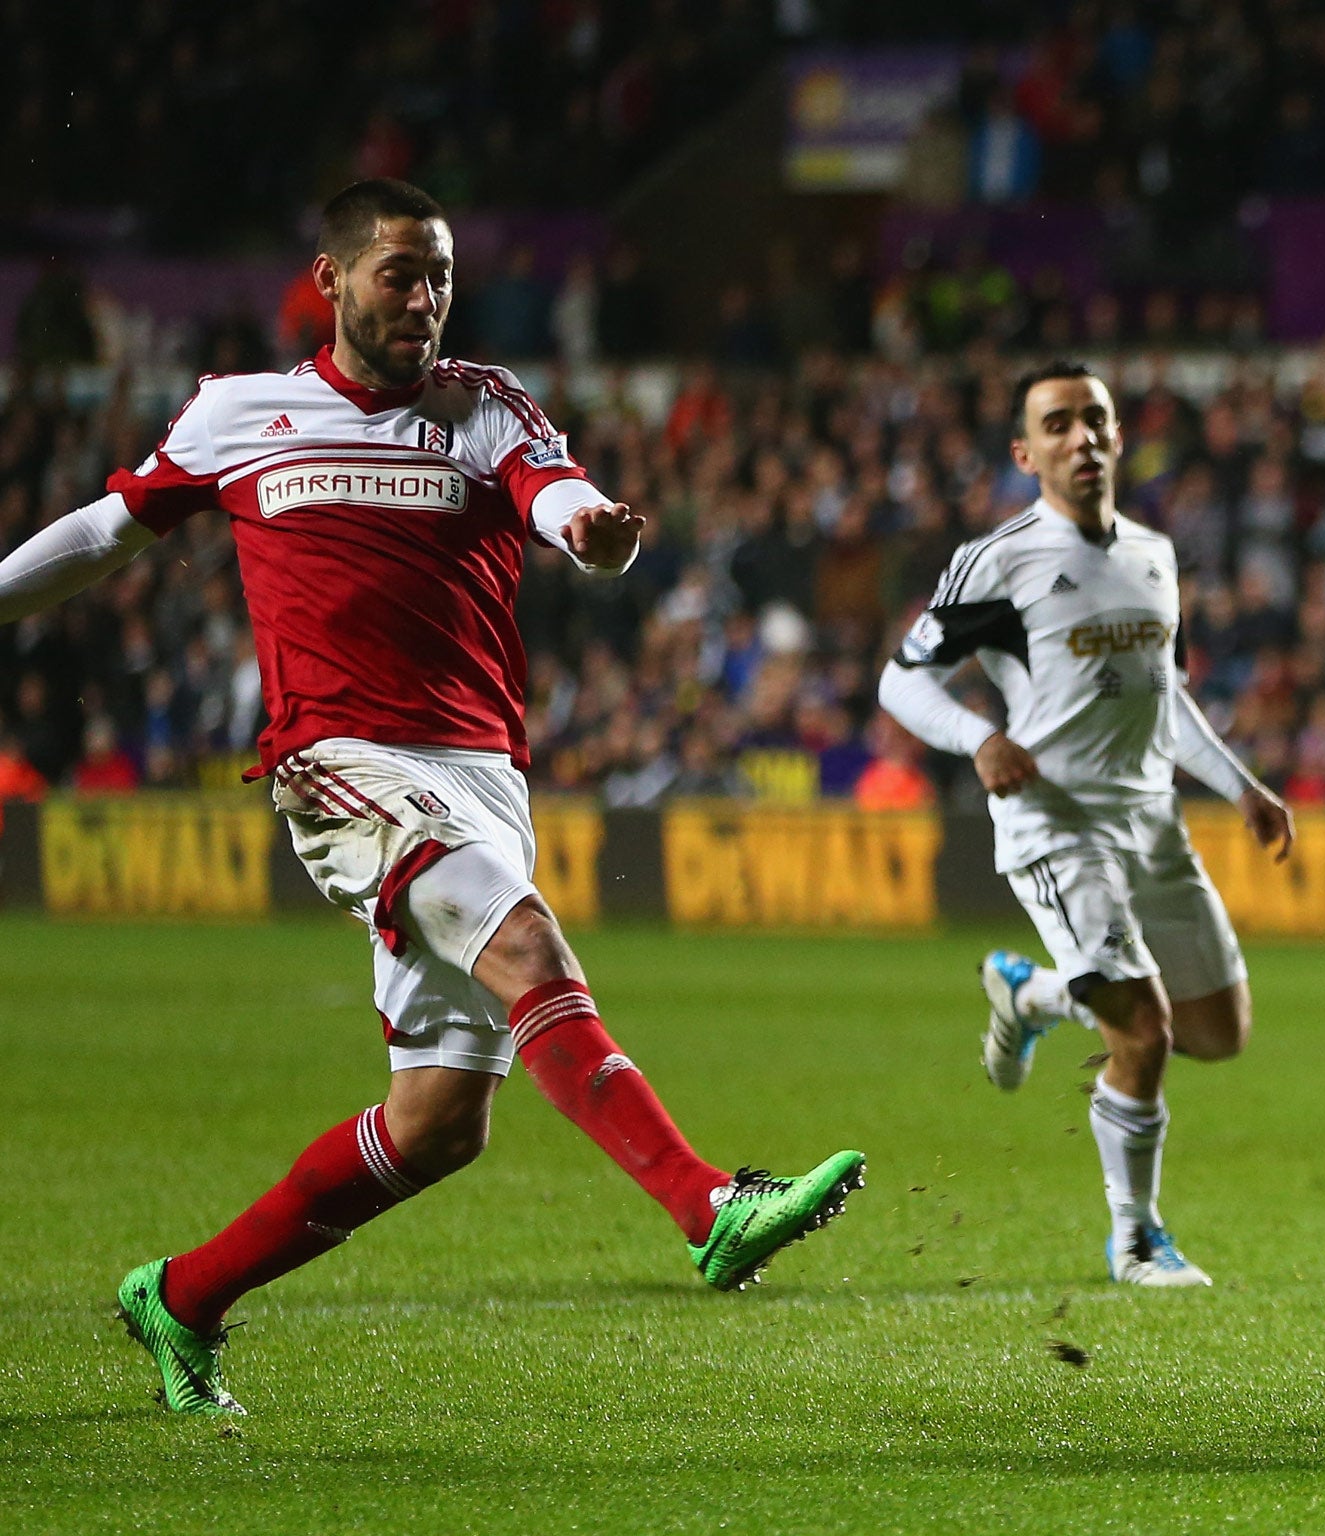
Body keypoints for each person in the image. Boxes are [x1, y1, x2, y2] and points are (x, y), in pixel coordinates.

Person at [0, 179, 863, 1418]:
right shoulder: (244, 414)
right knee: (525, 945)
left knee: (439, 1121)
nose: (425, 297)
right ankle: (705, 1203)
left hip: (478, 773)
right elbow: (105, 530)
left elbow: (554, 493)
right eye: (400, 273)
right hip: (338, 757)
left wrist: (590, 534)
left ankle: (181, 1297)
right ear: (334, 277)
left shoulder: (483, 403)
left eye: (441, 274)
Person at [877, 362, 1295, 1287]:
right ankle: (1137, 1238)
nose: (1083, 438)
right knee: (1141, 1035)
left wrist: (1243, 789)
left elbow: (1165, 696)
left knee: (1218, 1032)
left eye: (1096, 420)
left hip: (1153, 824)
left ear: (1119, 435)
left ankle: (1032, 995)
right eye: (1058, 424)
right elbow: (901, 680)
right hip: (1055, 824)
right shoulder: (1001, 560)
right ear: (1027, 453)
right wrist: (978, 737)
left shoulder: (1154, 554)